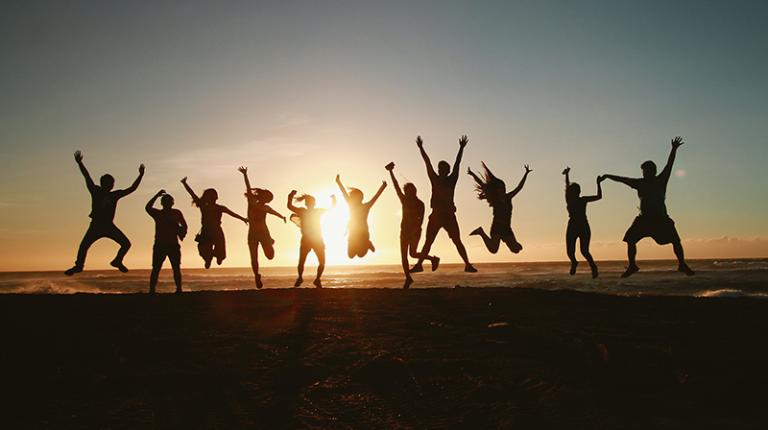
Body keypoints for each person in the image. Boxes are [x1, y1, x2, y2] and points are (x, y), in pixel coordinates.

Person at [602, 136, 695, 277]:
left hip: (660, 219)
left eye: (647, 171)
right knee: (630, 240)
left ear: (653, 171)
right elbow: (623, 179)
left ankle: (682, 264)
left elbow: (669, 165)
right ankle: (632, 265)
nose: (645, 173)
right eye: (643, 171)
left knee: (676, 240)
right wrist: (608, 176)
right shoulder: (639, 183)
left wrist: (674, 149)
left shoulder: (661, 180)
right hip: (644, 219)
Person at [65, 151, 144, 275]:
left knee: (126, 244)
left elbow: (132, 189)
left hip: (108, 226)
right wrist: (80, 163)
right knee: (83, 246)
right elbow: (87, 177)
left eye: (112, 183)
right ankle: (79, 266)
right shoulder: (96, 191)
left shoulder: (115, 195)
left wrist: (140, 175)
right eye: (109, 183)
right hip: (96, 225)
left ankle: (117, 261)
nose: (111, 185)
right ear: (103, 184)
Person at [411, 135, 477, 273]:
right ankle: (419, 265)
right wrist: (421, 148)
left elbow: (457, 164)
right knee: (428, 242)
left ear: (447, 171)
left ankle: (467, 264)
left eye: (443, 169)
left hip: (448, 216)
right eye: (440, 169)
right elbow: (427, 163)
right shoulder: (434, 179)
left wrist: (461, 148)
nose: (441, 171)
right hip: (435, 215)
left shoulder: (452, 180)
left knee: (457, 241)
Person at [386, 162, 440, 288]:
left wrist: (414, 231)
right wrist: (391, 172)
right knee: (404, 256)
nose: (410, 192)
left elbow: (421, 220)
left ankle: (433, 259)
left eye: (412, 190)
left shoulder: (420, 203)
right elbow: (396, 187)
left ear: (415, 191)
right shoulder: (404, 200)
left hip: (415, 232)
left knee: (413, 254)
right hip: (404, 231)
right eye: (408, 191)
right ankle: (408, 278)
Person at [181, 177, 247, 269]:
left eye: (214, 196)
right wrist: (185, 184)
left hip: (216, 231)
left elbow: (232, 214)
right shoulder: (204, 206)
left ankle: (216, 257)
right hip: (206, 231)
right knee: (204, 250)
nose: (213, 198)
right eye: (211, 196)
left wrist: (243, 219)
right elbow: (192, 194)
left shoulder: (219, 207)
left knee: (220, 253)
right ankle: (208, 259)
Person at [238, 166, 286, 288]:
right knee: (254, 258)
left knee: (270, 256)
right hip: (252, 235)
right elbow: (248, 189)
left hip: (264, 234)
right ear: (262, 197)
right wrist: (245, 175)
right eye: (267, 198)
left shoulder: (266, 208)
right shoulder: (252, 203)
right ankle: (256, 276)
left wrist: (282, 217)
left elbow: (274, 212)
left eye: (269, 200)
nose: (268, 201)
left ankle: (270, 241)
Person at [467, 163, 530, 255]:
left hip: (507, 227)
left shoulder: (508, 197)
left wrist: (526, 174)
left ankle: (508, 240)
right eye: (501, 188)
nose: (503, 189)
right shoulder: (495, 200)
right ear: (496, 190)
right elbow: (482, 184)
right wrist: (472, 174)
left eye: (504, 187)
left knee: (516, 250)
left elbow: (519, 187)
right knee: (493, 250)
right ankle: (481, 232)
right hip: (497, 226)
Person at [288, 190, 335, 288]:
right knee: (307, 261)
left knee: (318, 261)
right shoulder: (304, 211)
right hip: (310, 239)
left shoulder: (314, 211)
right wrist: (290, 196)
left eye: (312, 202)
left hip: (316, 239)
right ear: (308, 203)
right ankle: (303, 278)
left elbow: (332, 208)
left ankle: (315, 279)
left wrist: (333, 200)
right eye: (310, 202)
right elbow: (290, 207)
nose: (311, 204)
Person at [562, 167, 603, 278]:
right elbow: (566, 186)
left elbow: (599, 196)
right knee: (570, 251)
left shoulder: (583, 199)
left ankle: (593, 267)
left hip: (583, 225)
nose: (575, 192)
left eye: (577, 191)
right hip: (573, 225)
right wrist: (566, 175)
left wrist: (598, 184)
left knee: (584, 251)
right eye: (573, 191)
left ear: (579, 192)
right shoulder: (569, 199)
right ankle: (574, 262)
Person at [145, 190, 187, 293]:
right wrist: (156, 195)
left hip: (170, 244)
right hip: (162, 244)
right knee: (158, 268)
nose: (168, 203)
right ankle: (152, 289)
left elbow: (184, 226)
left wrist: (181, 232)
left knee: (174, 268)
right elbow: (147, 208)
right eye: (166, 201)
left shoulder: (175, 213)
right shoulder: (159, 213)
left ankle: (178, 289)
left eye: (169, 201)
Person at [335, 174, 387, 258]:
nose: (352, 198)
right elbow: (344, 193)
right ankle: (365, 244)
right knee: (351, 255)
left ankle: (367, 243)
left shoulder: (366, 206)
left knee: (360, 254)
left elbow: (375, 197)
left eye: (354, 197)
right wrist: (338, 182)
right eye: (352, 197)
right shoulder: (351, 204)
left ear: (361, 198)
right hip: (353, 232)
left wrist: (383, 187)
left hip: (363, 234)